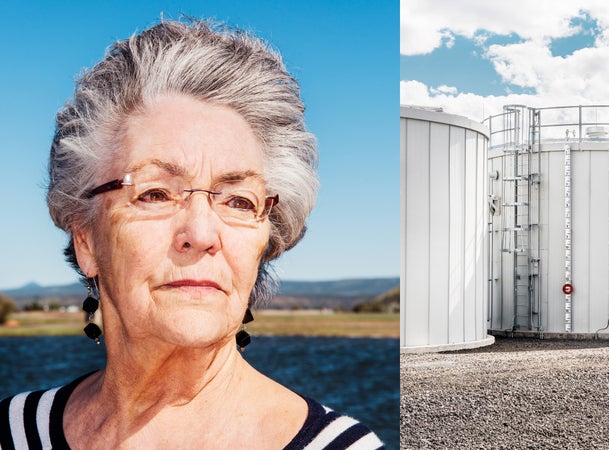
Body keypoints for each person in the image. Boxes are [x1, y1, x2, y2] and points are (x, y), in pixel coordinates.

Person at [0, 19, 383, 449]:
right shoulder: (13, 432)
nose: (201, 233)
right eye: (155, 193)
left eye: (238, 201)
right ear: (86, 239)